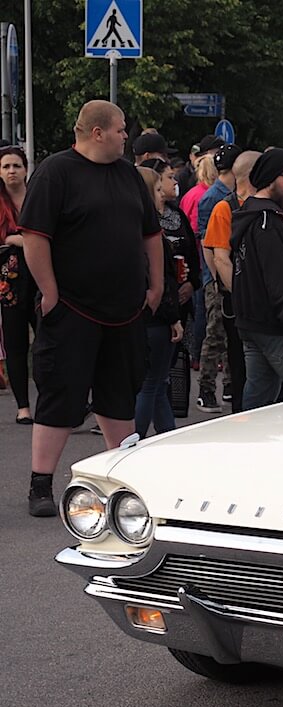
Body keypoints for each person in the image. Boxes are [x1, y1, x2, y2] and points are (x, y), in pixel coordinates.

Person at [20, 100, 163, 516]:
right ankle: (40, 484)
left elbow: (150, 234)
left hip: (126, 308)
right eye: (120, 129)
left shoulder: (128, 176)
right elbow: (34, 236)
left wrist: (155, 285)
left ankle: (122, 482)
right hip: (72, 307)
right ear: (97, 132)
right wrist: (49, 291)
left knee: (120, 396)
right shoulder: (56, 172)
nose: (126, 136)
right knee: (61, 394)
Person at [230, 149, 283, 409]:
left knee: (259, 396)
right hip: (274, 324)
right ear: (269, 178)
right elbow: (279, 281)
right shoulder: (268, 220)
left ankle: (252, 443)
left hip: (253, 322)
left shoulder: (252, 213)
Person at [134, 166, 184, 437]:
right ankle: (135, 441)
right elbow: (160, 279)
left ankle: (167, 435)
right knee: (151, 384)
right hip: (156, 316)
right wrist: (173, 317)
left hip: (139, 315)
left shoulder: (126, 226)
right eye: (155, 189)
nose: (160, 195)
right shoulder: (149, 230)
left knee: (157, 383)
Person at [193, 143, 243, 411]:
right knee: (215, 334)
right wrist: (216, 280)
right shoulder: (215, 199)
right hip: (217, 278)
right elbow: (207, 243)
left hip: (224, 274)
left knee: (227, 335)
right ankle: (206, 388)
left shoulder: (229, 194)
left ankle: (228, 386)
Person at [0, 146, 34, 424]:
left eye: (16, 166)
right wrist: (14, 240)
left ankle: (53, 401)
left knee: (49, 340)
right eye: (6, 166)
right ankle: (23, 406)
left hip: (42, 275)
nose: (12, 171)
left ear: (25, 169)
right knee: (15, 343)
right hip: (8, 282)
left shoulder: (37, 197)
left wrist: (15, 239)